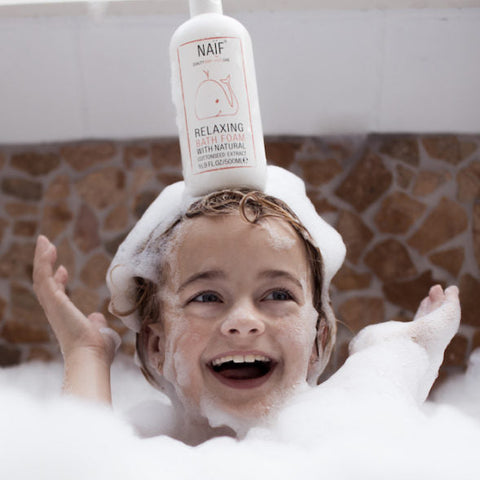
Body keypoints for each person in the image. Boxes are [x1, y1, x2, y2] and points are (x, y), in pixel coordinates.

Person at [32, 166, 460, 445]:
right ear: (158, 345)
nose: (242, 322)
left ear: (317, 339)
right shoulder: (140, 453)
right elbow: (79, 464)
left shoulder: (346, 446)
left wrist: (403, 362)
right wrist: (86, 352)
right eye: (206, 297)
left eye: (277, 295)